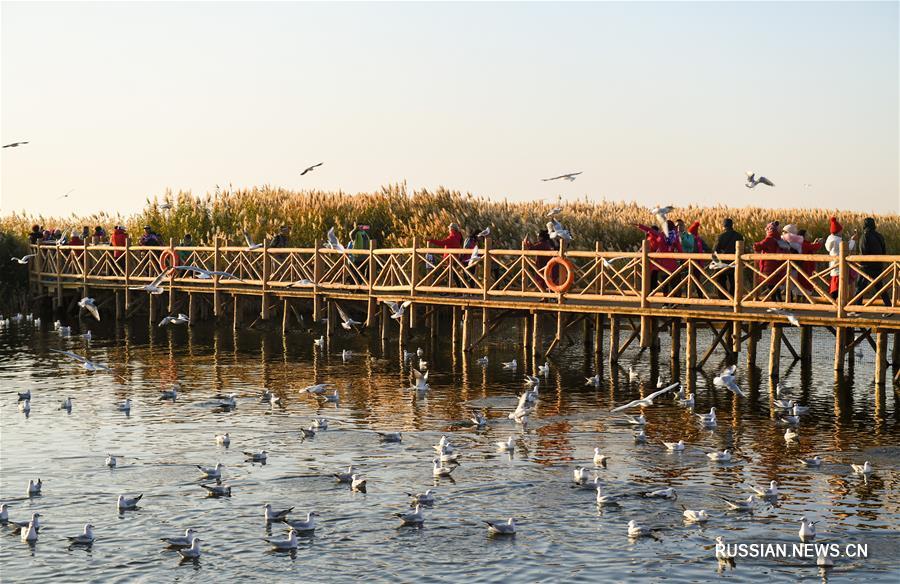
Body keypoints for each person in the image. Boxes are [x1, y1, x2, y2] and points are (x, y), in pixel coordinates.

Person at [857, 217, 891, 307]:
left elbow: (863, 251)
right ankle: (888, 306)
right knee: (880, 287)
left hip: (866, 266)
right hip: (878, 265)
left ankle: (856, 308)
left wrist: (860, 263)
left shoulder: (865, 235)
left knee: (860, 287)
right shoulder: (879, 236)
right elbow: (884, 251)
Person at [825, 216, 857, 300]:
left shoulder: (830, 239)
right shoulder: (837, 241)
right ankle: (836, 304)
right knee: (838, 287)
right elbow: (847, 248)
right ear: (838, 231)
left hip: (834, 265)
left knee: (835, 286)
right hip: (839, 266)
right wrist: (852, 240)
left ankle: (835, 303)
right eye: (840, 230)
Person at [753, 222, 783, 302]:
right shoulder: (779, 238)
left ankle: (775, 304)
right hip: (778, 266)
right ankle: (780, 303)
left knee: (770, 286)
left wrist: (754, 244)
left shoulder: (769, 238)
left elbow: (758, 247)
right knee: (775, 286)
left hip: (769, 266)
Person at [713, 218, 744, 296]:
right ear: (732, 225)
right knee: (734, 281)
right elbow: (743, 249)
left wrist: (716, 262)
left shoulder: (720, 236)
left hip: (722, 263)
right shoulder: (739, 236)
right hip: (735, 262)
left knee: (720, 280)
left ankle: (724, 298)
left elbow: (715, 250)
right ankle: (733, 297)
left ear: (723, 226)